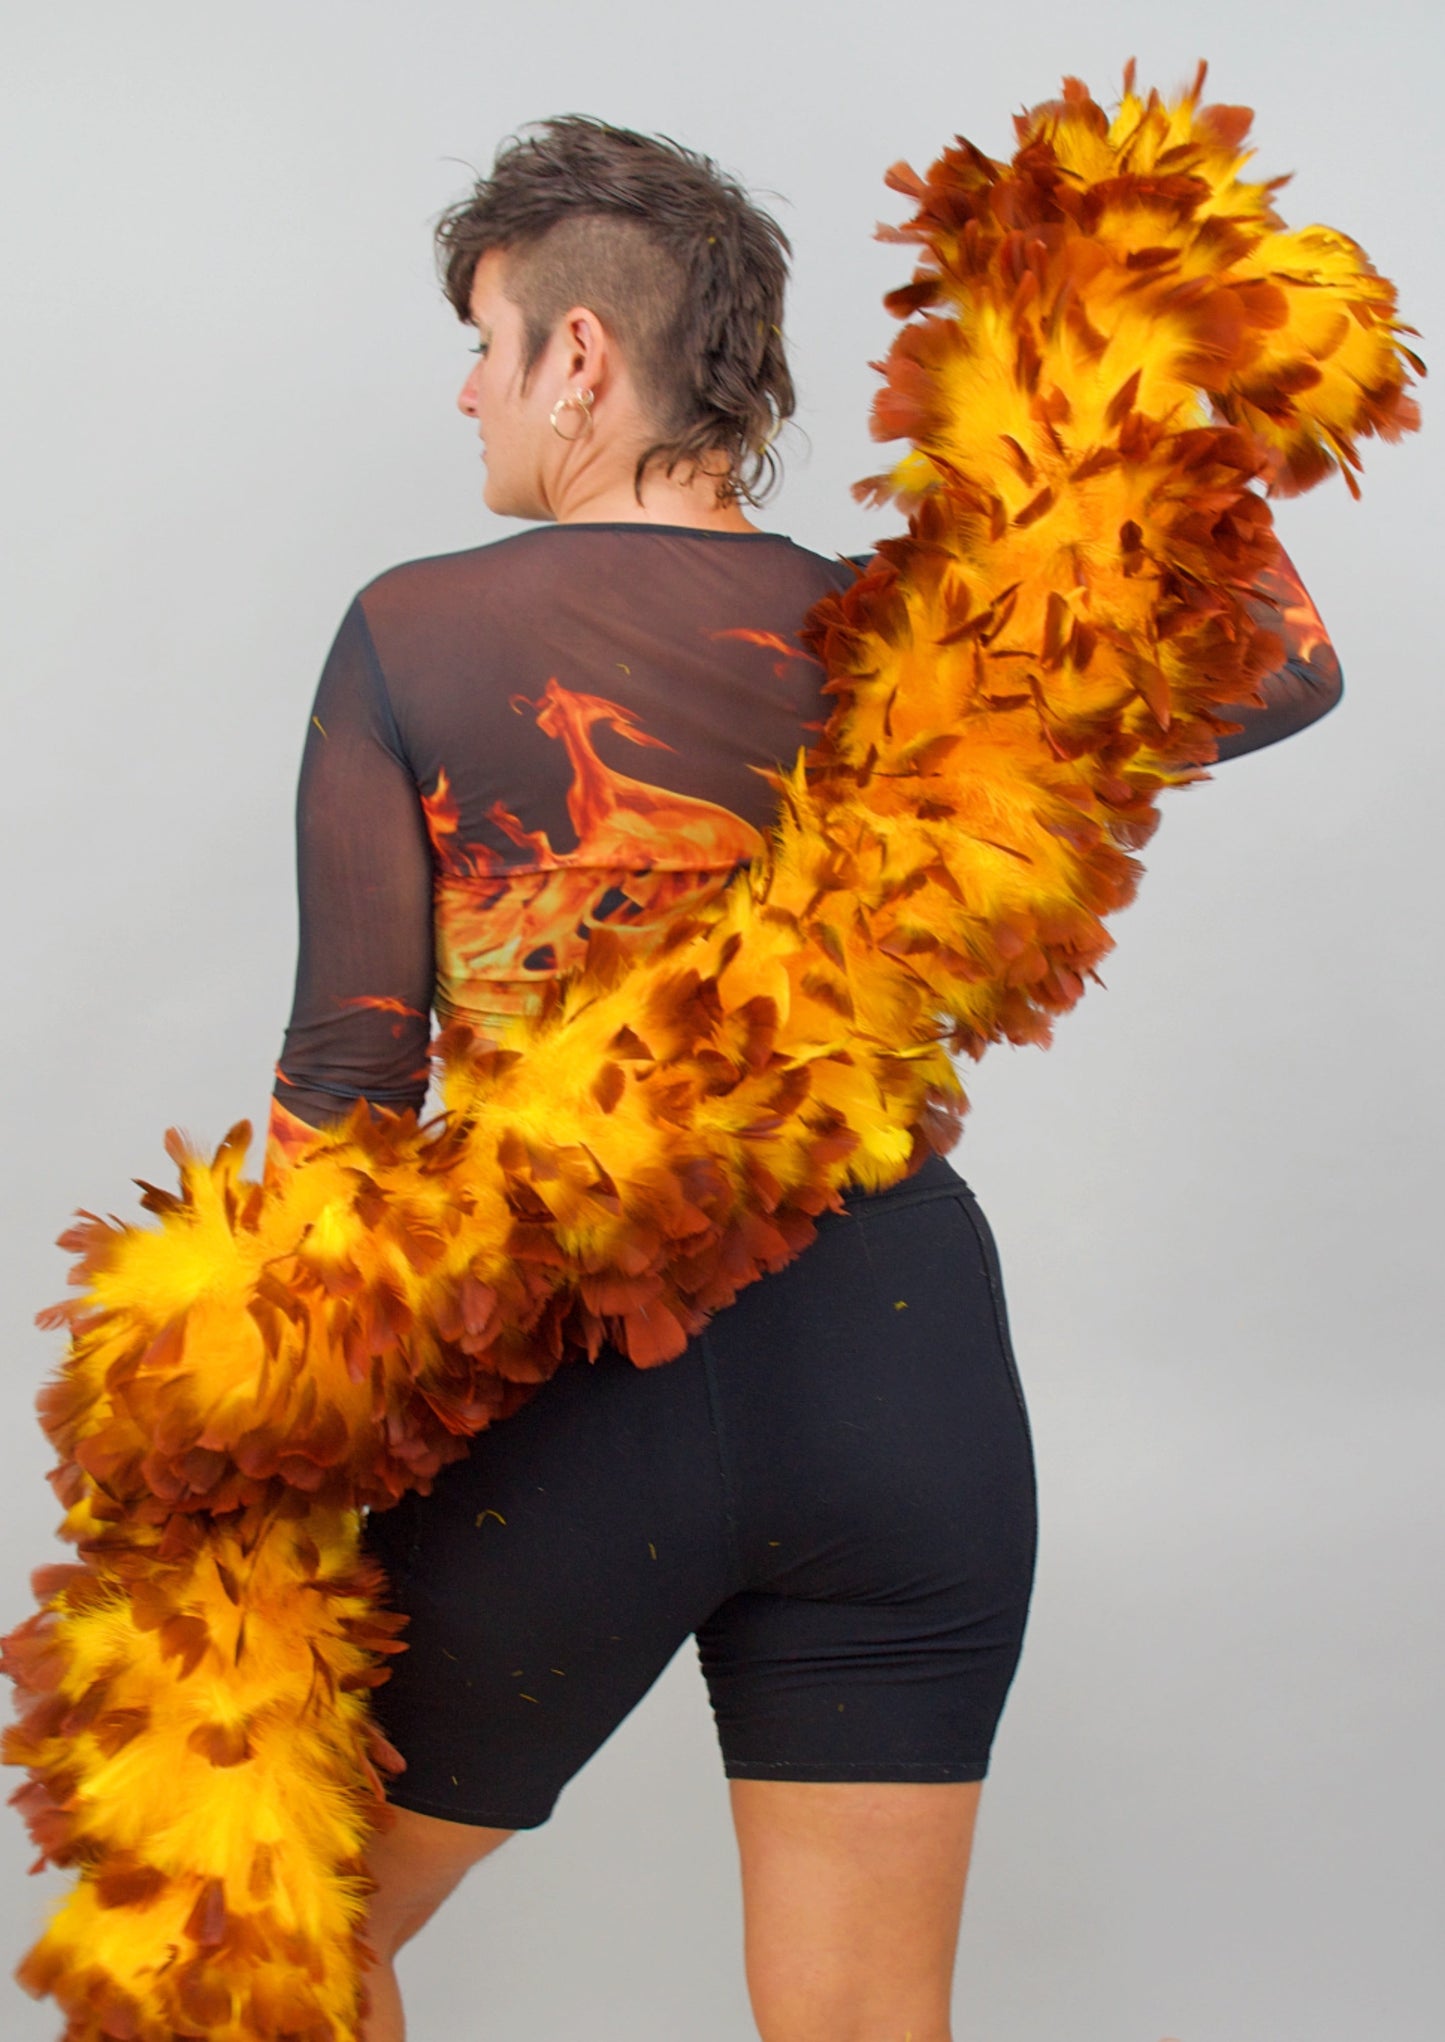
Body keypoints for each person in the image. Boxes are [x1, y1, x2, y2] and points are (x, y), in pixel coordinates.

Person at [265, 118, 1343, 2042]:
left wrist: (254, 1449)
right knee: (861, 2020)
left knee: (273, 1938)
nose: (467, 390)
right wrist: (1119, 361)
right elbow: (1282, 658)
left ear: (578, 356)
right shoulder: (913, 658)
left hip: (573, 1375)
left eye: (485, 342)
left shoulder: (412, 632)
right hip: (900, 1365)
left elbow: (351, 1067)